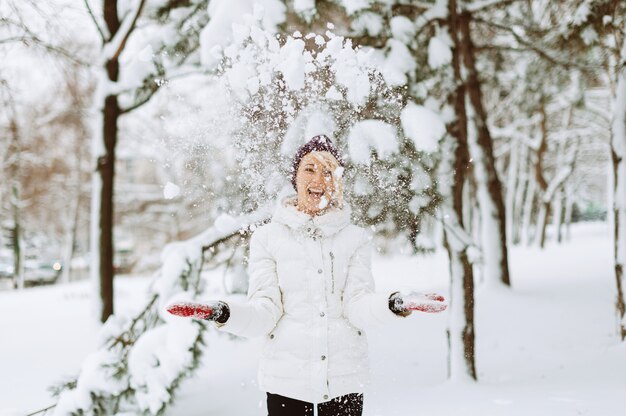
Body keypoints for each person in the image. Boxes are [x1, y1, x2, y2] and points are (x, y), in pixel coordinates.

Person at [167, 135, 447, 416]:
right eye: (309, 169)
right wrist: (222, 313)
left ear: (337, 181)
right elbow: (265, 311)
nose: (318, 179)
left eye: (328, 171)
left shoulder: (355, 238)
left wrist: (394, 303)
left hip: (344, 380)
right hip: (287, 381)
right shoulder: (268, 238)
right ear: (296, 177)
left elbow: (357, 305)